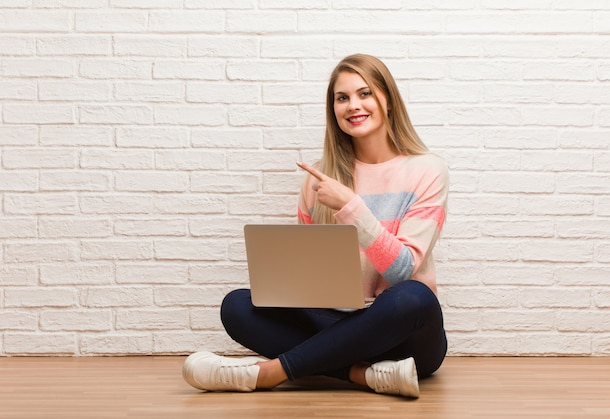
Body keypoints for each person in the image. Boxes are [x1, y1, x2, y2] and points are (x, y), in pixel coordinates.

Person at [182, 53, 449, 398]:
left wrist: (351, 206)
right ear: (333, 110)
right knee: (237, 306)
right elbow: (310, 279)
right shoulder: (318, 180)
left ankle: (269, 373)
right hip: (337, 323)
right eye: (342, 98)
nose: (353, 105)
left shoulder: (428, 170)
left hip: (403, 335)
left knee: (415, 297)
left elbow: (402, 271)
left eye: (364, 93)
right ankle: (362, 375)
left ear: (388, 100)